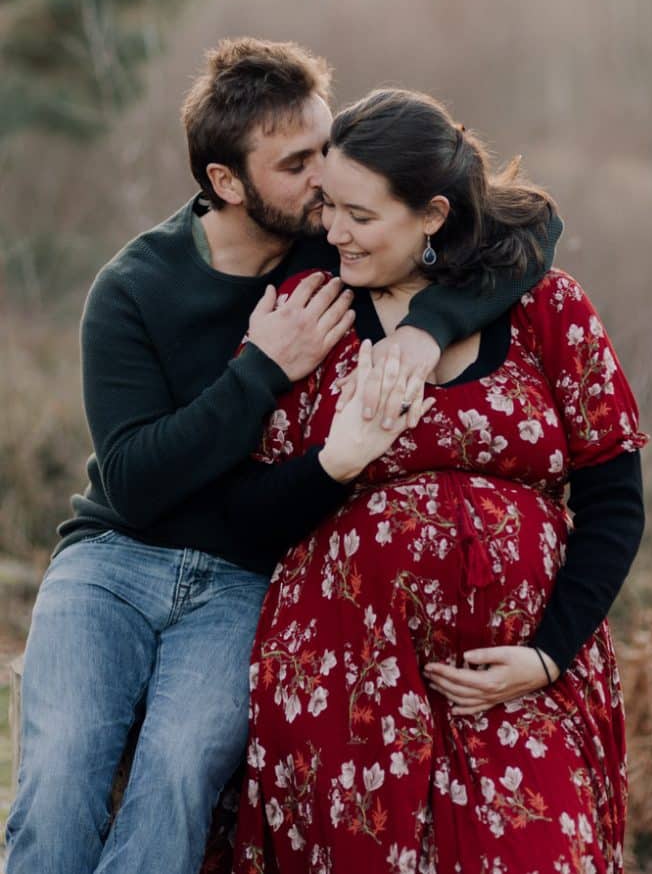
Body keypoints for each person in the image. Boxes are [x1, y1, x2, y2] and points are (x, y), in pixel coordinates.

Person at [5, 43, 561, 874]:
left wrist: (425, 329)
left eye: (325, 148)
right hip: (114, 562)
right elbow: (136, 481)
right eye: (296, 164)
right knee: (58, 775)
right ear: (227, 182)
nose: (324, 181)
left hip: (244, 577)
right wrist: (262, 370)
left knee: (179, 771)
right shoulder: (133, 287)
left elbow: (529, 221)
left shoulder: (333, 248)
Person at [229, 89, 647, 874]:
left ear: (430, 214)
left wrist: (550, 654)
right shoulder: (309, 313)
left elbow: (615, 500)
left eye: (359, 215)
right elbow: (243, 517)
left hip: (521, 680)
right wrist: (338, 461)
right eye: (326, 207)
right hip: (344, 689)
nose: (331, 232)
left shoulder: (544, 307)